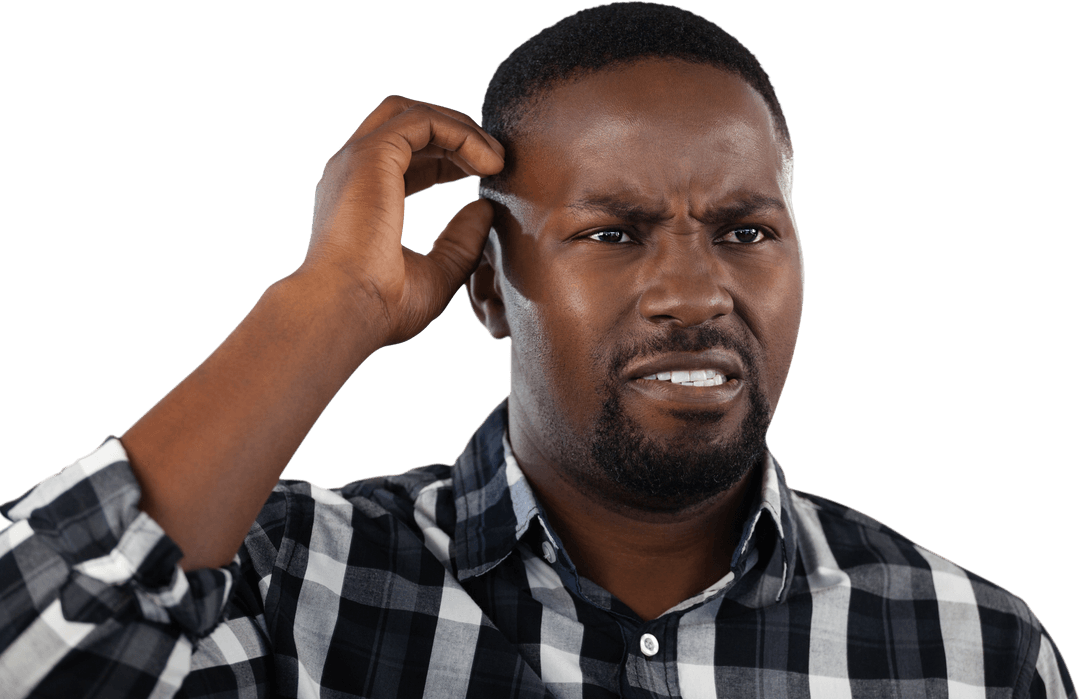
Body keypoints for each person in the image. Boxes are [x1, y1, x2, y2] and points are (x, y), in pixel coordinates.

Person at [0, 2, 1073, 697]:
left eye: (746, 232)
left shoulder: (972, 650)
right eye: (613, 234)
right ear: (488, 288)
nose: (696, 293)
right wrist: (327, 305)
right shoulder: (287, 588)